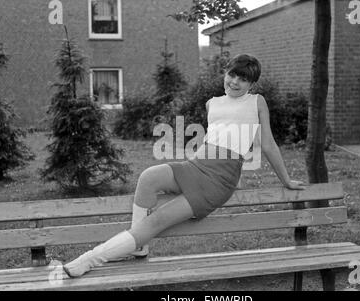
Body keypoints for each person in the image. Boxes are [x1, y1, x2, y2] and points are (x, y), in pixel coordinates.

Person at [62, 54, 306, 278]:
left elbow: (268, 144)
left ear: (251, 84)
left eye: (243, 79)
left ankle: (89, 260)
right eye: (232, 75)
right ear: (225, 73)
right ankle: (138, 245)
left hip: (216, 182)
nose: (235, 82)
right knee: (148, 177)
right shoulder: (213, 103)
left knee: (155, 221)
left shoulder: (256, 102)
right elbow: (215, 138)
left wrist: (285, 180)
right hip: (196, 166)